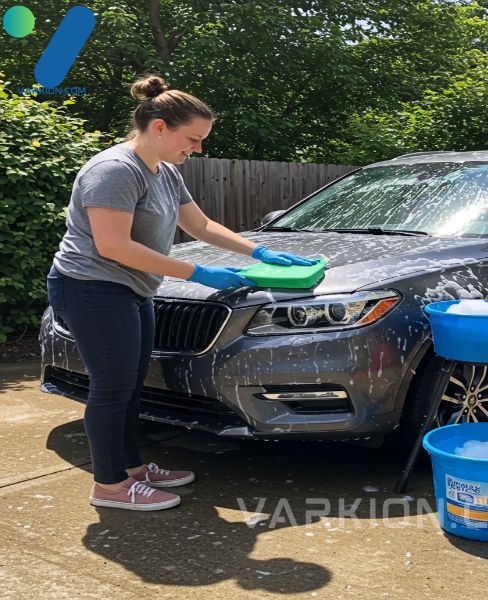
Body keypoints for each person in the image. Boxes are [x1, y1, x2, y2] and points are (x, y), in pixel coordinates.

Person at [46, 75, 317, 511]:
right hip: (91, 287)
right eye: (192, 138)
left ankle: (131, 468)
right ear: (158, 128)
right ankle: (110, 487)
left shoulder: (166, 172)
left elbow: (200, 226)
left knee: (131, 384)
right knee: (112, 387)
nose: (198, 149)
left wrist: (260, 250)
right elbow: (112, 245)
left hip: (133, 288)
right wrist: (201, 272)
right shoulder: (114, 170)